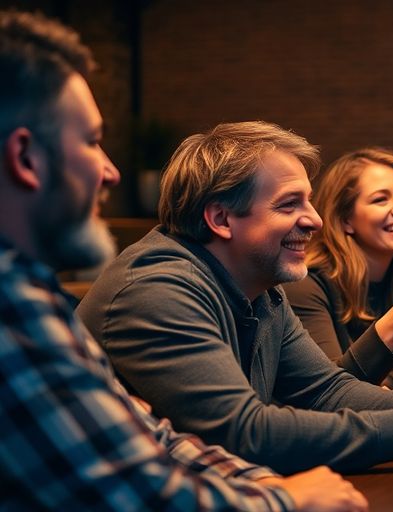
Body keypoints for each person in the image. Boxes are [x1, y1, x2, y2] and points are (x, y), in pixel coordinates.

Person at [0, 9, 366, 510]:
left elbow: (155, 441)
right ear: (25, 158)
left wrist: (267, 487)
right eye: (91, 142)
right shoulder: (20, 307)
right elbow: (139, 493)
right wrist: (282, 500)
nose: (111, 171)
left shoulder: (32, 292)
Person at [76, 121, 393, 475]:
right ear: (221, 218)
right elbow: (243, 434)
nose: (315, 220)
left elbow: (326, 390)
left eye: (309, 202)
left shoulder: (262, 289)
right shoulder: (157, 289)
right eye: (289, 204)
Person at [282, 148, 393, 390]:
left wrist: (385, 386)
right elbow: (326, 390)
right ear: (345, 220)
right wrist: (392, 325)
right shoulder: (307, 285)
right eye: (381, 199)